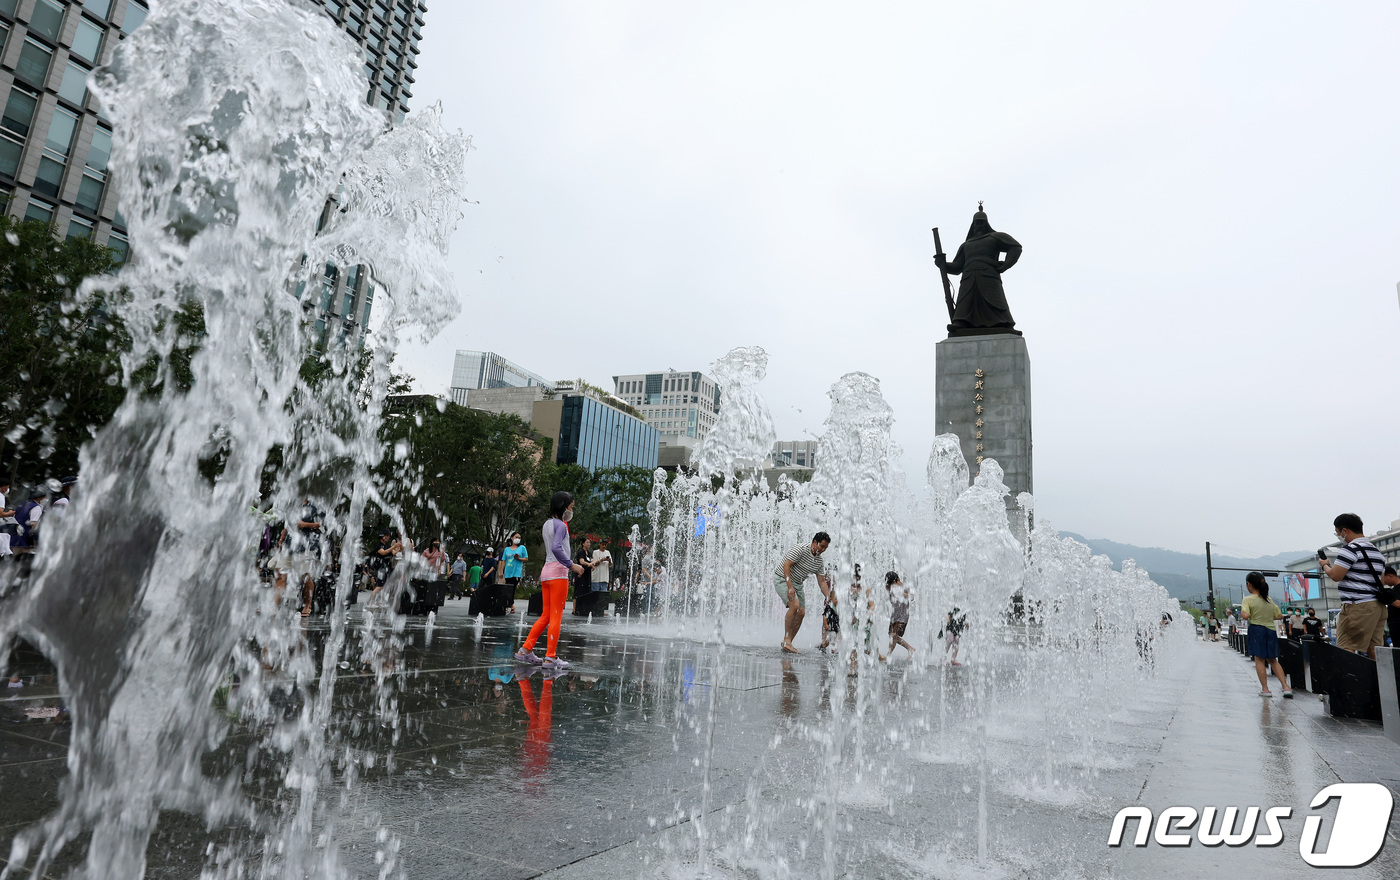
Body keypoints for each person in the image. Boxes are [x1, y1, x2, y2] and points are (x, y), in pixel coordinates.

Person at [516, 491, 583, 669]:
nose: (571, 510)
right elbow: (556, 548)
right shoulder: (561, 525)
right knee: (555, 617)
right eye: (570, 506)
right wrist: (571, 565)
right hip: (559, 574)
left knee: (545, 616)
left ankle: (525, 649)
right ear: (563, 506)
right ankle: (551, 657)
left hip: (546, 573)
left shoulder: (546, 524)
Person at [1319, 513, 1388, 659]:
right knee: (1375, 650)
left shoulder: (1350, 549)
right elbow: (1381, 583)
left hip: (1358, 606)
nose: (1338, 536)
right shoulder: (1377, 553)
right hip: (1378, 606)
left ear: (1345, 531)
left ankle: (1351, 681)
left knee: (1346, 647)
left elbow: (1336, 576)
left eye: (1338, 532)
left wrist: (1325, 566)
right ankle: (1380, 681)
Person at [773, 531, 832, 654]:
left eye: (826, 548)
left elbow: (821, 581)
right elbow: (786, 566)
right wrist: (790, 587)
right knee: (794, 606)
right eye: (822, 546)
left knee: (801, 612)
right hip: (783, 579)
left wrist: (829, 597)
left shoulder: (819, 561)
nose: (823, 550)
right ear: (815, 542)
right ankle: (786, 641)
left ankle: (788, 643)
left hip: (798, 584)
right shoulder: (800, 549)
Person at [1242, 572, 1292, 697]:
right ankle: (1286, 687)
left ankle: (1265, 689)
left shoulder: (1248, 599)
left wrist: (1250, 614)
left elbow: (1245, 615)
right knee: (1273, 660)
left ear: (1249, 585)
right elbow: (1279, 615)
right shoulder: (1269, 599)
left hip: (1257, 630)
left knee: (1259, 659)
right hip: (1270, 630)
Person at [886, 571, 914, 657]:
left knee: (894, 635)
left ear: (898, 580)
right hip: (894, 615)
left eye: (894, 583)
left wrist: (903, 594)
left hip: (903, 616)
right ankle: (910, 649)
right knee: (891, 635)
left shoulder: (905, 587)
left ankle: (888, 656)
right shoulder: (891, 588)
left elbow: (912, 598)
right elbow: (891, 601)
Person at [570, 538, 597, 616]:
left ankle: (584, 608)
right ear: (583, 544)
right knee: (578, 591)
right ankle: (574, 609)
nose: (589, 544)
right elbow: (582, 561)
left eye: (589, 542)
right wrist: (589, 564)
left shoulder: (589, 553)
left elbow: (592, 560)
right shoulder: (581, 552)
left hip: (587, 574)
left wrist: (592, 564)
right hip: (580, 573)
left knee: (586, 591)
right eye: (587, 542)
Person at [589, 541, 613, 615]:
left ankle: (602, 610)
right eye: (603, 544)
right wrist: (601, 560)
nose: (604, 546)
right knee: (595, 593)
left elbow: (611, 564)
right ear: (600, 544)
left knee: (603, 595)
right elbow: (594, 563)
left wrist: (608, 561)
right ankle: (593, 608)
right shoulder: (596, 552)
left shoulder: (608, 552)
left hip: (604, 577)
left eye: (605, 544)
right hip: (596, 576)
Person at [1382, 566, 1400, 649]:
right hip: (1393, 625)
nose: (1384, 582)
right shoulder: (1394, 590)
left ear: (1390, 576)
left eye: (1384, 579)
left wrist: (1387, 598)